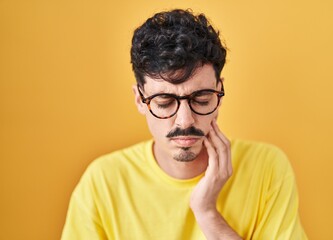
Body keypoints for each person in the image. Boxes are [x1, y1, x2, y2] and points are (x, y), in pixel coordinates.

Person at [61, 9, 307, 240]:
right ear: (140, 99)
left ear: (219, 92)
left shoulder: (266, 168)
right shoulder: (103, 182)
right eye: (165, 102)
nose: (185, 120)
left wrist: (207, 212)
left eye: (201, 99)